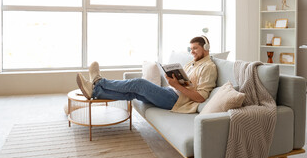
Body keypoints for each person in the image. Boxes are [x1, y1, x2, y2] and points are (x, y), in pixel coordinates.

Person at [76, 36, 218, 113]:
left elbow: (200, 98)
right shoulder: (192, 63)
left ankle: (98, 81)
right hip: (170, 92)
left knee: (139, 83)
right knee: (134, 93)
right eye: (190, 48)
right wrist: (173, 80)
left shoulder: (209, 67)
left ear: (205, 48)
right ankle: (95, 91)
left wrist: (176, 86)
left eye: (195, 48)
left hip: (176, 101)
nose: (192, 51)